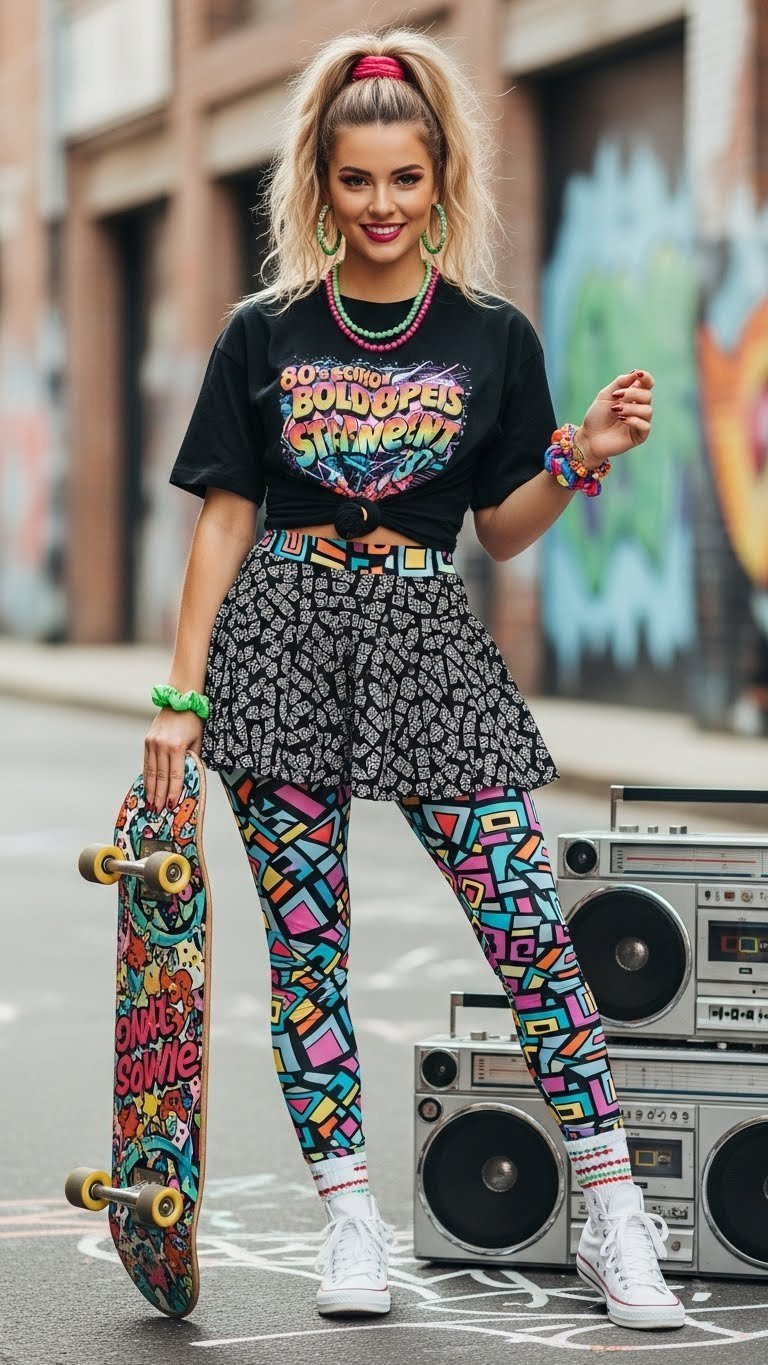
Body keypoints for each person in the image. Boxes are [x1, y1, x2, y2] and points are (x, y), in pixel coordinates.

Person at [145, 29, 685, 1333]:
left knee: (530, 932)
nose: (381, 204)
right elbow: (224, 518)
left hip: (430, 639)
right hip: (279, 641)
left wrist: (579, 453)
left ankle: (615, 1209)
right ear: (320, 185)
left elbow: (501, 529)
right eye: (356, 180)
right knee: (308, 950)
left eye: (404, 178)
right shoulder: (262, 334)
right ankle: (349, 1214)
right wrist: (180, 696)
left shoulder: (493, 337)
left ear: (441, 180)